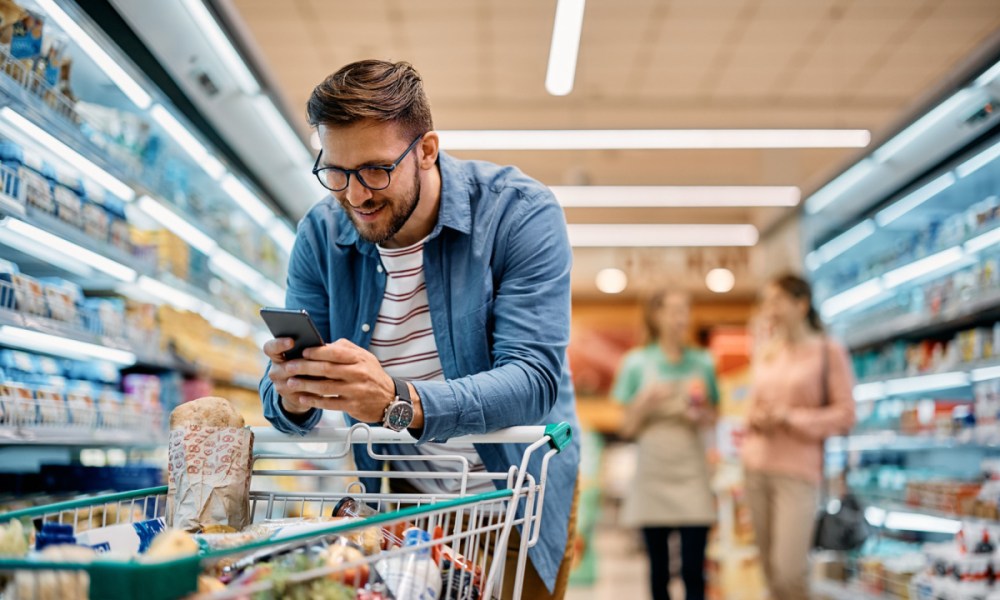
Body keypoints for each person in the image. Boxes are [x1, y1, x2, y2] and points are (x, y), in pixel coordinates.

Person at [257, 59, 581, 599]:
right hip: (403, 509)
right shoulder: (320, 233)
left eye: (376, 170)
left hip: (518, 503)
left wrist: (396, 402)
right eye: (336, 172)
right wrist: (293, 393)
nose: (356, 195)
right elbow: (282, 404)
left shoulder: (518, 213)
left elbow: (533, 381)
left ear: (427, 149)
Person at [742, 274, 856, 600]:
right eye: (767, 302)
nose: (770, 309)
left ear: (801, 304)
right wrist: (759, 417)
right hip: (756, 467)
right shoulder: (768, 351)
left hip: (798, 472)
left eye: (777, 301)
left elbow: (845, 414)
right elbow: (751, 406)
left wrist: (790, 417)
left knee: (789, 570)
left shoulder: (827, 352)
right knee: (769, 572)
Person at [611, 290, 719, 600]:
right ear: (655, 316)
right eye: (673, 311)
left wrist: (700, 414)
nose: (680, 318)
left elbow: (714, 417)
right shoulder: (636, 363)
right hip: (653, 472)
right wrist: (644, 403)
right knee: (658, 570)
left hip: (692, 470)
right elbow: (626, 428)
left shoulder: (703, 361)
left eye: (685, 310)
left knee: (693, 570)